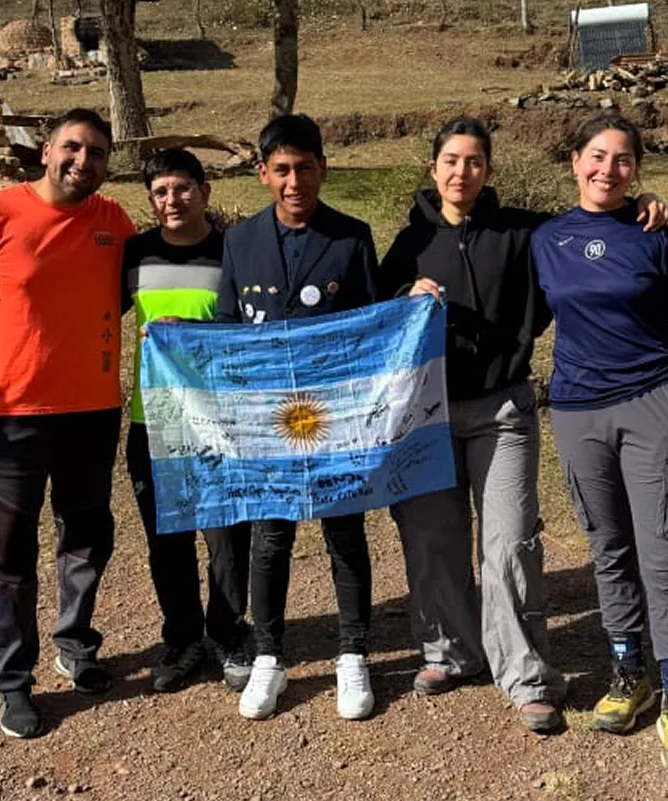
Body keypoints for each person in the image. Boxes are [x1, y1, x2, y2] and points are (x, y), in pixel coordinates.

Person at [379, 117, 668, 733]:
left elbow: (590, 227)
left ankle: (527, 676)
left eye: (475, 161)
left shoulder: (526, 235)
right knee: (434, 541)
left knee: (509, 543)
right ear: (433, 170)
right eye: (451, 161)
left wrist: (640, 204)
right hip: (426, 416)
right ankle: (451, 652)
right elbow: (376, 332)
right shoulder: (404, 248)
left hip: (503, 411)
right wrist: (402, 298)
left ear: (489, 169)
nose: (463, 172)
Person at [0, 108, 136, 739]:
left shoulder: (114, 223)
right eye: (74, 148)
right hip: (8, 415)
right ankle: (13, 679)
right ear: (47, 150)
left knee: (86, 535)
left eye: (99, 152)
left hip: (92, 411)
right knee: (9, 554)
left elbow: (148, 286)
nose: (85, 161)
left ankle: (75, 645)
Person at [532, 114, 668, 774]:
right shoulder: (546, 238)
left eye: (624, 159)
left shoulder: (658, 230)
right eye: (597, 156)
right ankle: (628, 671)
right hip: (578, 413)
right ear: (574, 160)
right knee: (608, 549)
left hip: (650, 409)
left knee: (663, 555)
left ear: (637, 168)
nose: (609, 169)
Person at [214, 113, 378, 721]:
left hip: (335, 417)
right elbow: (231, 330)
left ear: (322, 169)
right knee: (270, 537)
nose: (293, 181)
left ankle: (354, 654)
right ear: (262, 175)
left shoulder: (352, 238)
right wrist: (185, 336)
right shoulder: (240, 241)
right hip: (266, 418)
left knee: (344, 532)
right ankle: (268, 656)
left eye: (304, 168)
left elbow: (372, 330)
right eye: (280, 170)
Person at [122, 148, 253, 694]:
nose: (171, 200)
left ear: (205, 190)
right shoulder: (134, 254)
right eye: (159, 192)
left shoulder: (235, 253)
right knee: (166, 537)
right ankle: (182, 639)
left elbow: (252, 332)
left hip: (220, 419)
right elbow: (96, 314)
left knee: (227, 532)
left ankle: (227, 632)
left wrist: (196, 335)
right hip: (152, 418)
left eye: (182, 188)